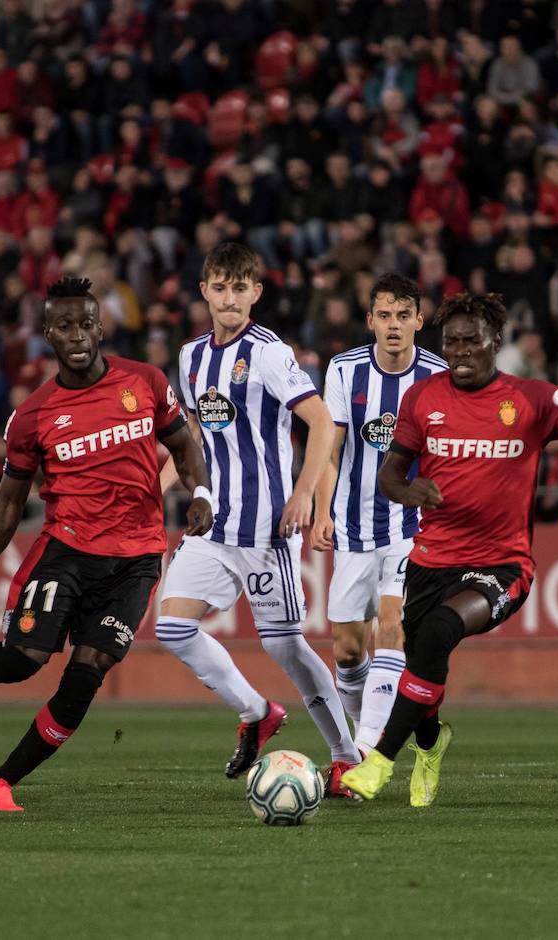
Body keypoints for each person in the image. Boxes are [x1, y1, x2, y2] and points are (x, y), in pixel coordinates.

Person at [0, 278, 212, 813]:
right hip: (68, 551)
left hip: (138, 557)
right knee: (26, 658)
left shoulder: (145, 382)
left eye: (85, 324)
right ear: (47, 335)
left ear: (100, 327)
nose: (76, 335)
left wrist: (201, 494)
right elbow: (9, 502)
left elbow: (184, 446)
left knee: (87, 673)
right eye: (63, 326)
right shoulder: (32, 415)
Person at [340, 292, 558, 806]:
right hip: (430, 562)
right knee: (425, 656)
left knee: (438, 634)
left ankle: (379, 761)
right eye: (452, 342)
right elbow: (389, 473)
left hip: (502, 563)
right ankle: (430, 745)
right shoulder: (423, 398)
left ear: (496, 341)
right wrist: (408, 490)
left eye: (472, 341)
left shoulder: (534, 398)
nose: (461, 352)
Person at [153, 242, 358, 788]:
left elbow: (322, 422)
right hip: (214, 523)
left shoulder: (269, 352)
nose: (229, 298)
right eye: (220, 287)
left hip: (268, 528)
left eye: (240, 288)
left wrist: (306, 495)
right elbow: (193, 434)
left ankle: (346, 757)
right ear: (204, 292)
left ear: (256, 294)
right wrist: (157, 484)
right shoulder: (192, 356)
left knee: (286, 645)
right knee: (172, 626)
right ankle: (256, 711)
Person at [310, 273, 447, 768]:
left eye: (403, 316)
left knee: (392, 627)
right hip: (352, 525)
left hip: (413, 530)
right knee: (348, 652)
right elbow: (331, 448)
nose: (393, 325)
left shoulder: (437, 375)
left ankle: (364, 754)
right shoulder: (344, 371)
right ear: (370, 321)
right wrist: (322, 510)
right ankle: (371, 726)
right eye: (384, 316)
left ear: (418, 320)